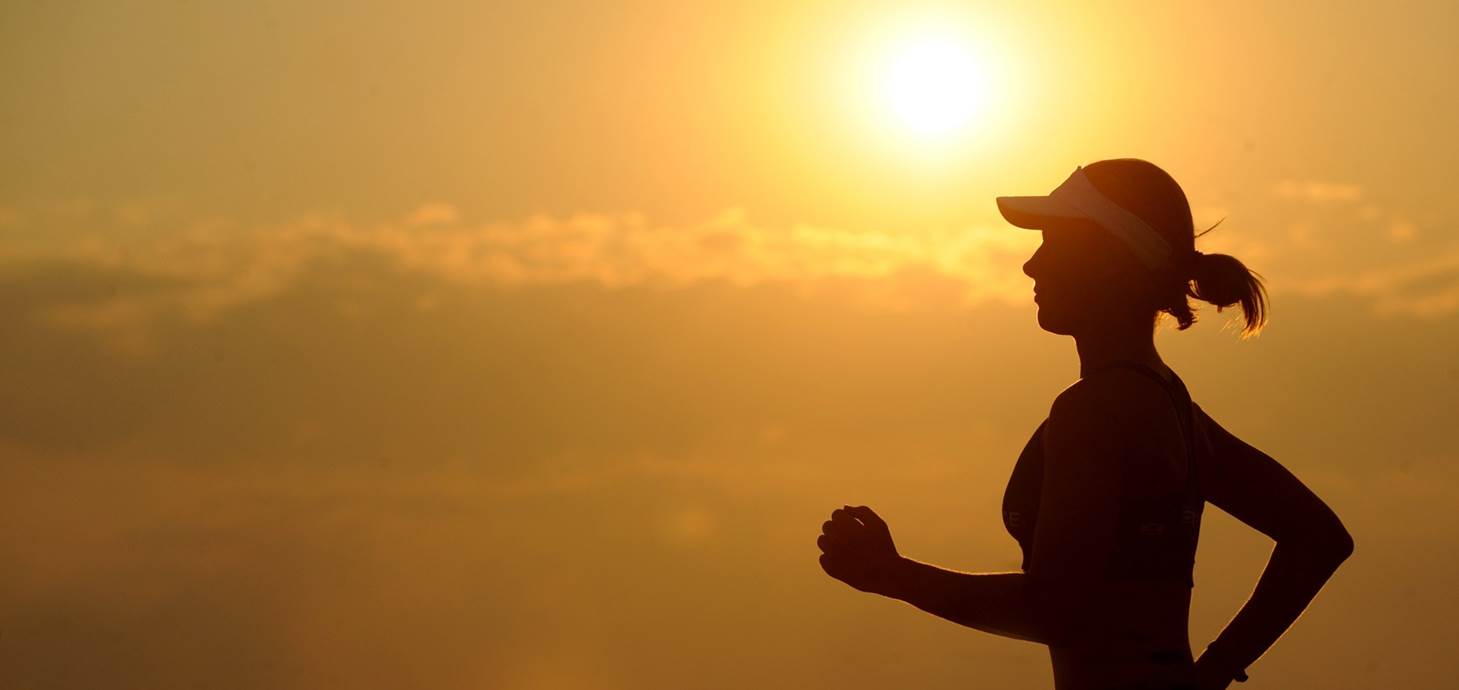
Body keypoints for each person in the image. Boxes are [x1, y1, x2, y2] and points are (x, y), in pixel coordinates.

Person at [815, 159, 1354, 690]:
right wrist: (1209, 674)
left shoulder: (1095, 410)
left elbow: (1056, 610)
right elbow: (1318, 537)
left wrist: (893, 576)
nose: (1032, 265)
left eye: (1053, 242)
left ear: (1110, 260)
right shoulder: (1170, 404)